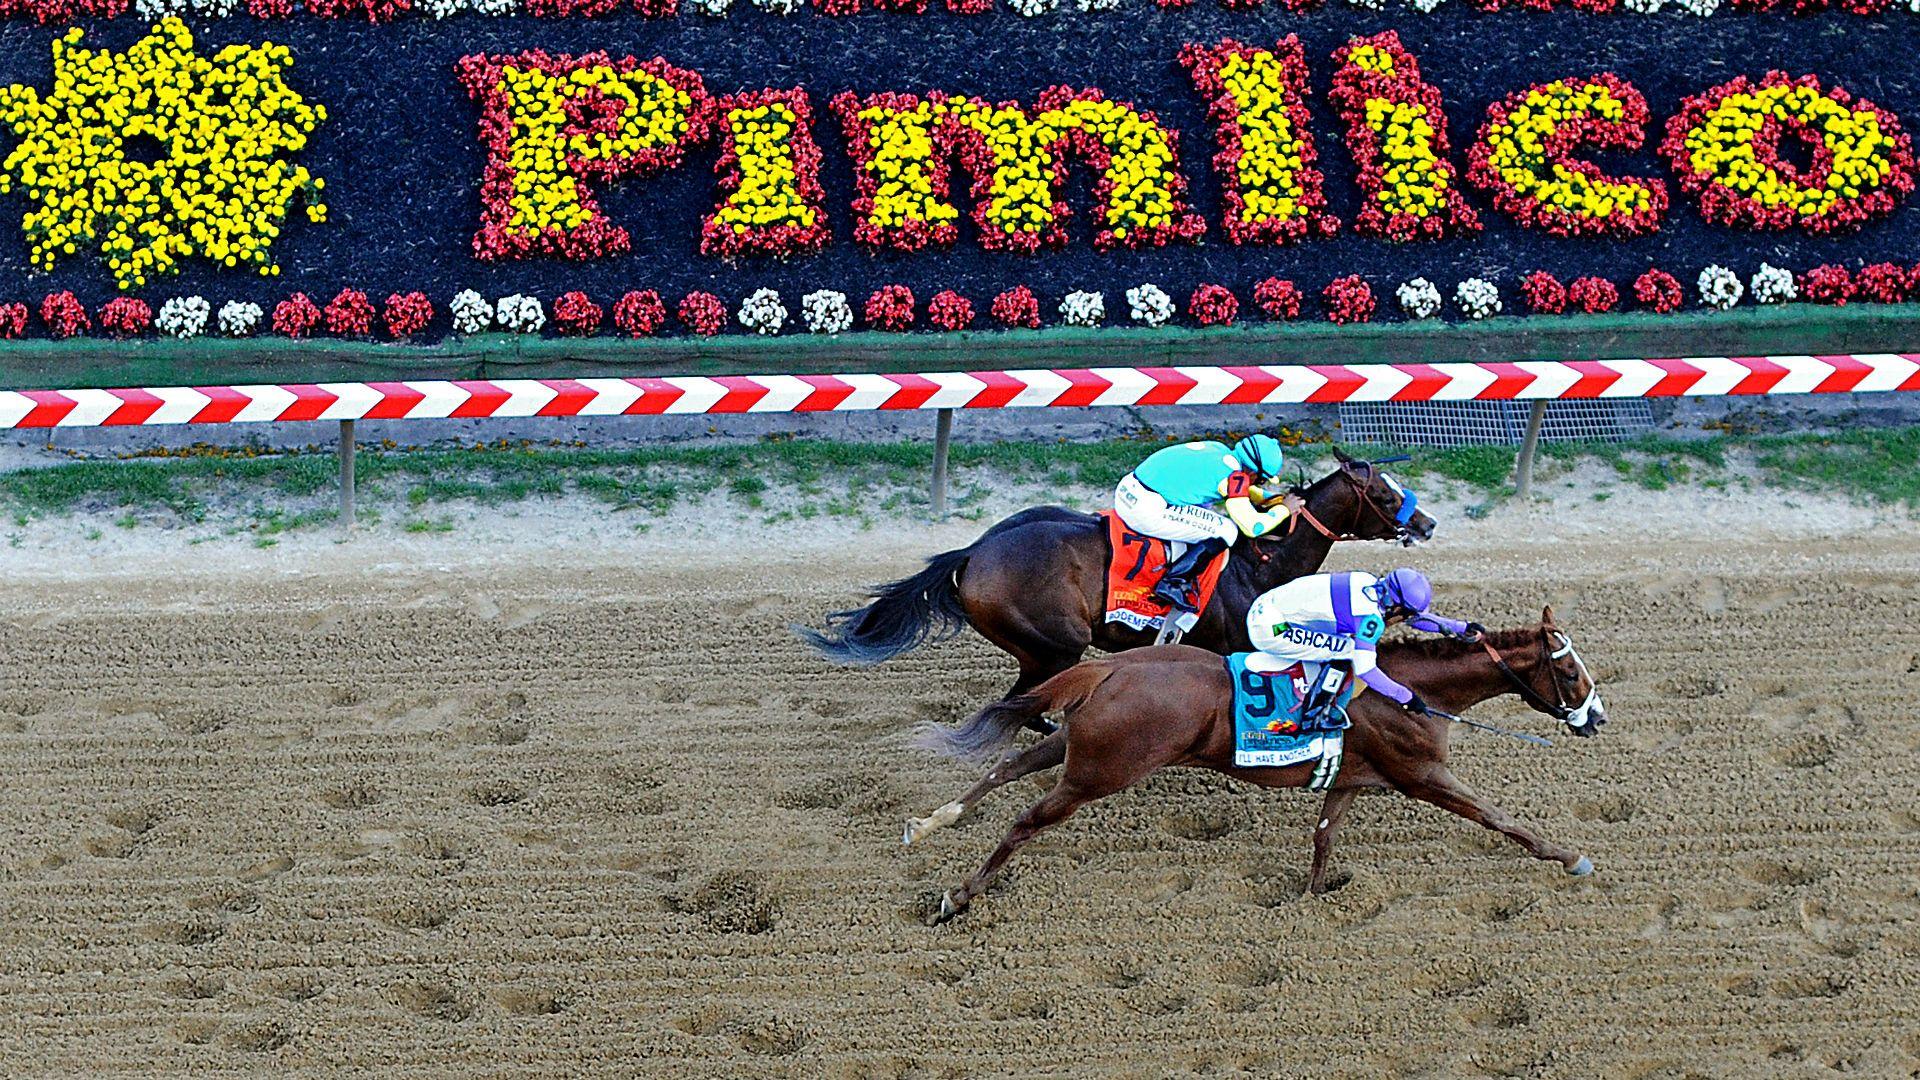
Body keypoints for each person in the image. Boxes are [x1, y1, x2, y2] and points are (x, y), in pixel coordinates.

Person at [1245, 568, 1483, 791]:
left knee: (1346, 643)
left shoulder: (1370, 582)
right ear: (1395, 605)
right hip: (1271, 629)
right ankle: (1316, 714)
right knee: (1347, 650)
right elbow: (1366, 670)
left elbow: (1410, 617)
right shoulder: (1369, 617)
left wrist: (1459, 627)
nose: (1407, 618)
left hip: (1268, 606)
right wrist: (1406, 697)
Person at [1112, 434, 1302, 614]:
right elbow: (1251, 527)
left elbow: (1242, 490)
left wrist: (1271, 499)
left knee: (1206, 510)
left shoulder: (1219, 449)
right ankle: (1173, 582)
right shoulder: (1234, 478)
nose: (1259, 484)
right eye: (1261, 481)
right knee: (1227, 530)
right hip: (1144, 509)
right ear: (1252, 472)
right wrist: (1284, 509)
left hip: (1127, 490)